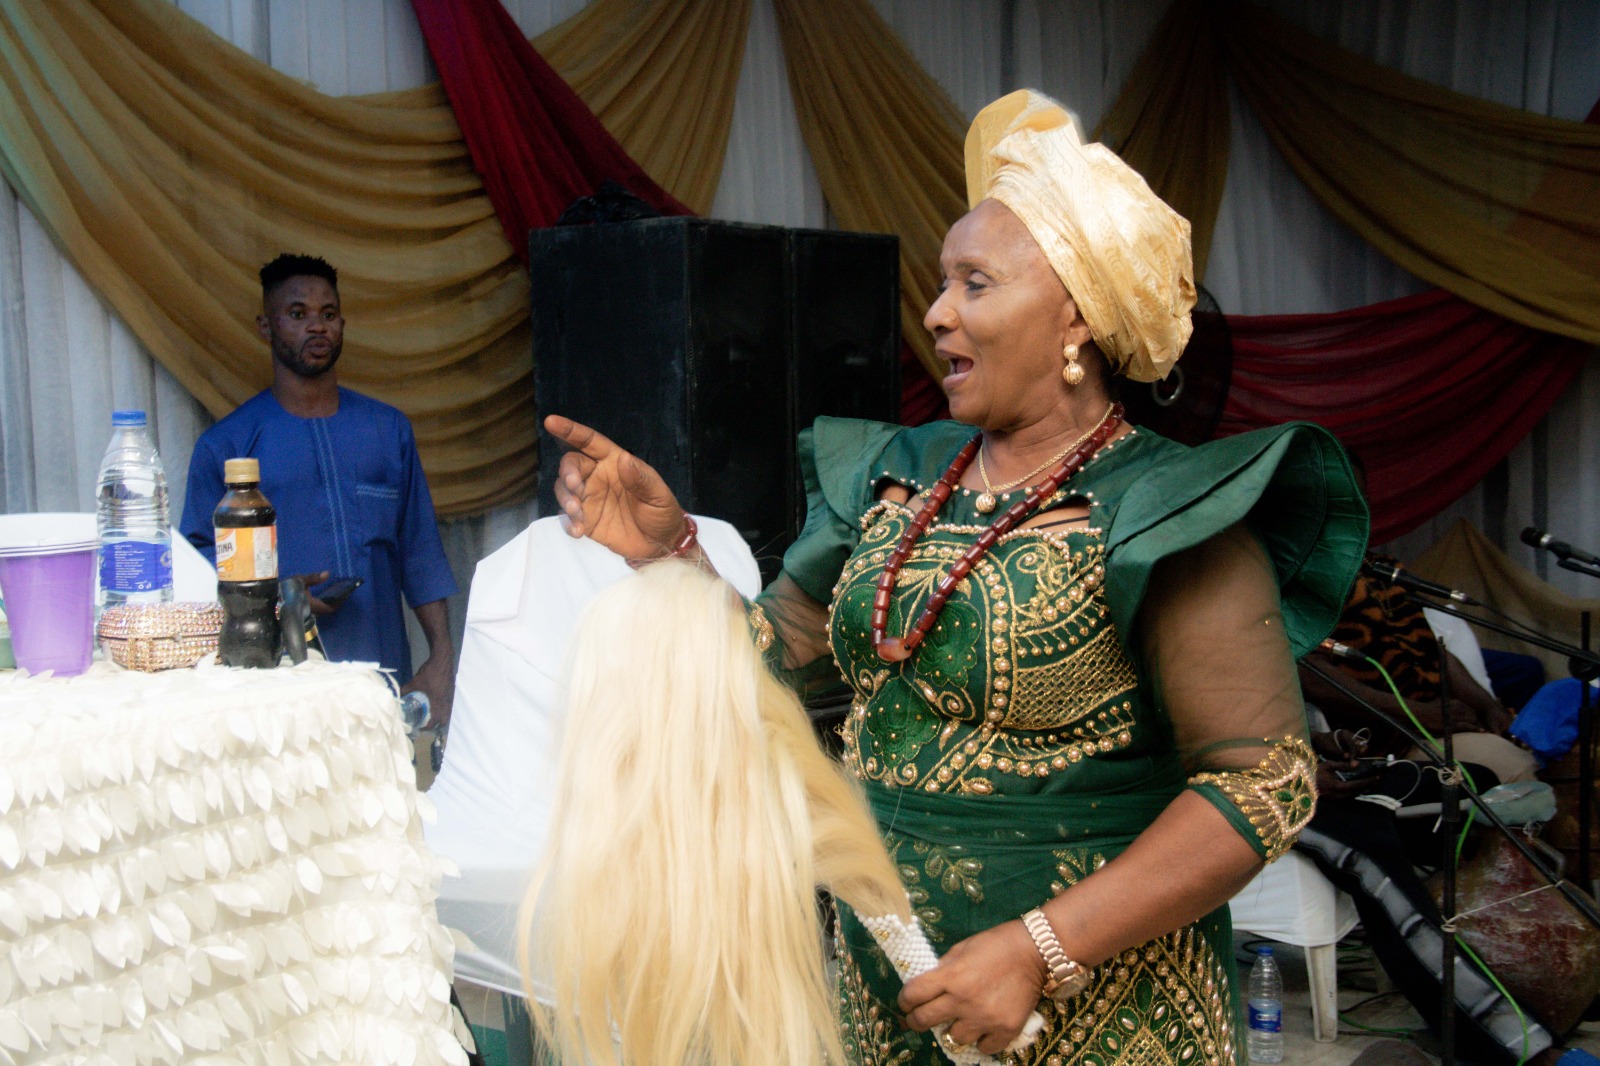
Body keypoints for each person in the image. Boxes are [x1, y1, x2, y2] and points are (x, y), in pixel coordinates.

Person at [544, 90, 1366, 1064]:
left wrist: (1041, 948)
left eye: (975, 283)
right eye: (941, 284)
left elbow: (1264, 782)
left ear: (1074, 315)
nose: (935, 314)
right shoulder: (896, 474)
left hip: (1105, 1014)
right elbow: (769, 663)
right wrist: (672, 549)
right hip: (890, 981)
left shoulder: (1169, 507)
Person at [181, 254, 458, 724]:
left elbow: (420, 552)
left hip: (383, 680)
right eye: (297, 314)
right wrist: (275, 597)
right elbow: (196, 566)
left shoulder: (387, 430)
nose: (317, 326)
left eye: (328, 314)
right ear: (266, 327)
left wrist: (442, 658)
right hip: (273, 688)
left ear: (342, 325)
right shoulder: (227, 447)